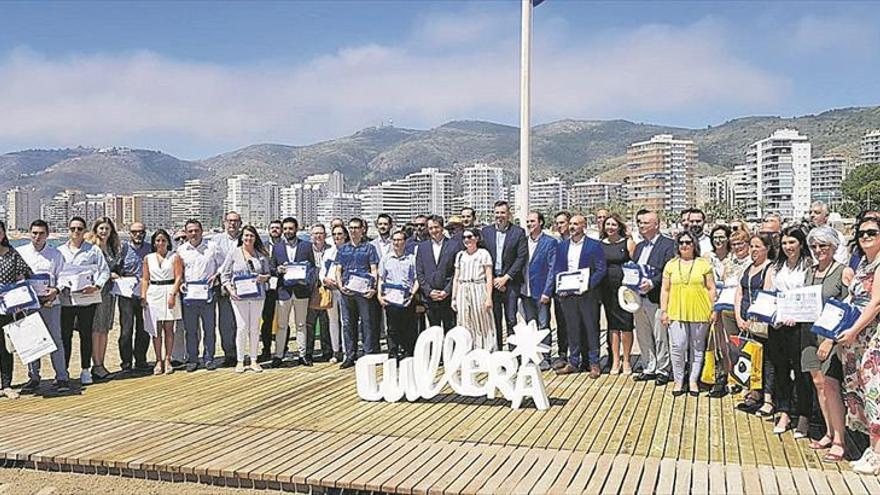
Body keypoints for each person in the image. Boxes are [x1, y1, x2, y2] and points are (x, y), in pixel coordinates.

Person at [800, 226, 852, 462]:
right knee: (818, 384)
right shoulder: (809, 271)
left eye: (823, 246)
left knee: (831, 386)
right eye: (814, 246)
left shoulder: (844, 271)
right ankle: (829, 433)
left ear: (833, 247)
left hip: (832, 337)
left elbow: (849, 308)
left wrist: (830, 340)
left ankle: (840, 439)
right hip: (810, 333)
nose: (818, 250)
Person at [836, 216, 880, 474]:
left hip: (871, 335)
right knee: (859, 389)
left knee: (875, 390)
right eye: (861, 233)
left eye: (872, 232)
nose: (865, 237)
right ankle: (872, 447)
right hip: (856, 338)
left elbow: (875, 303)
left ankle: (877, 452)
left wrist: (852, 330)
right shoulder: (863, 263)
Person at [764, 226, 812, 435]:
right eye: (784, 243)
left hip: (800, 326)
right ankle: (784, 411)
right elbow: (770, 293)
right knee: (781, 369)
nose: (788, 247)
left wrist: (798, 315)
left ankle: (804, 415)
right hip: (779, 325)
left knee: (802, 373)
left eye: (792, 242)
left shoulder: (809, 266)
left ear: (801, 243)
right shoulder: (777, 266)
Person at [660, 231, 716, 396]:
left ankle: (693, 380)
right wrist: (664, 311)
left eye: (688, 242)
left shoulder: (703, 264)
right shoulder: (670, 264)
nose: (684, 245)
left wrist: (713, 309)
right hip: (676, 310)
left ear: (694, 245)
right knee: (678, 346)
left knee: (697, 347)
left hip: (700, 310)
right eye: (681, 242)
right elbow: (665, 289)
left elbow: (711, 288)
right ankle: (678, 380)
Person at [18, 220, 70, 393]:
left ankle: (62, 377)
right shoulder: (20, 252)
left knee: (56, 339)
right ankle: (33, 377)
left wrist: (56, 289)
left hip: (51, 303)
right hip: (29, 304)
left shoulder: (56, 254)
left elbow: (63, 276)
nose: (37, 236)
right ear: (29, 233)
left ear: (47, 235)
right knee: (32, 341)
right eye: (34, 233)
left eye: (41, 233)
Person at [58, 216, 110, 385]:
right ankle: (63, 371)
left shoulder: (93, 250)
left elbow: (104, 272)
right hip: (66, 301)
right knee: (65, 337)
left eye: (80, 229)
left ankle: (85, 370)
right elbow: (56, 273)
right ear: (68, 230)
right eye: (73, 229)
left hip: (86, 300)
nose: (76, 232)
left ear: (85, 231)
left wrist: (96, 286)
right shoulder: (60, 251)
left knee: (86, 335)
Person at [554, 215, 607, 378]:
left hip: (587, 294)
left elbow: (601, 269)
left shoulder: (594, 245)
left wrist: (588, 285)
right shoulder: (562, 246)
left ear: (584, 226)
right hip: (568, 294)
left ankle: (594, 363)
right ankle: (573, 361)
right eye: (570, 224)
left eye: (576, 224)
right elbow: (557, 269)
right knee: (572, 328)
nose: (572, 227)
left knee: (591, 328)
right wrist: (559, 286)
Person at [632, 209, 677, 386]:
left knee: (660, 336)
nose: (641, 225)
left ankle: (663, 369)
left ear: (656, 224)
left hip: (656, 297)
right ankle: (648, 367)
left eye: (645, 222)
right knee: (643, 335)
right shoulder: (639, 246)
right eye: (639, 222)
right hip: (637, 298)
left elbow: (668, 271)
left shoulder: (668, 244)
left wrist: (652, 283)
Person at [733, 234, 776, 414]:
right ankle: (753, 390)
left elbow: (767, 295)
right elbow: (739, 293)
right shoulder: (748, 268)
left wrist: (752, 318)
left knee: (766, 359)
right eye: (751, 246)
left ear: (767, 248)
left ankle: (768, 397)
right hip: (744, 319)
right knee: (750, 356)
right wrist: (738, 317)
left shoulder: (769, 268)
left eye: (758, 246)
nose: (753, 250)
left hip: (761, 321)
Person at [221, 225, 271, 373]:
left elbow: (268, 274)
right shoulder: (234, 253)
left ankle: (254, 359)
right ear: (241, 237)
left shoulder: (261, 254)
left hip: (257, 295)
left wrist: (264, 278)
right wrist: (230, 290)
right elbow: (225, 274)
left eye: (251, 236)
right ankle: (240, 360)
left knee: (255, 328)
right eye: (246, 236)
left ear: (256, 238)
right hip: (239, 296)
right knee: (242, 327)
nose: (248, 239)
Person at [271, 217, 316, 368]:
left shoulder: (307, 246)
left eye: (291, 228)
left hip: (301, 290)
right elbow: (272, 268)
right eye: (285, 229)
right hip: (284, 291)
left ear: (296, 229)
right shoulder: (277, 247)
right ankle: (278, 355)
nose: (288, 231)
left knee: (301, 324)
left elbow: (312, 267)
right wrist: (278, 270)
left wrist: (307, 280)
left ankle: (302, 355)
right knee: (282, 325)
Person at [482, 200, 527, 350]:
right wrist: (494, 279)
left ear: (509, 214)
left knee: (511, 319)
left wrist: (506, 278)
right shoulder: (486, 232)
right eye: (497, 213)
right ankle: (498, 352)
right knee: (494, 319)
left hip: (510, 283)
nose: (499, 216)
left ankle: (514, 352)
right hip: (492, 282)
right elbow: (483, 257)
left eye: (503, 212)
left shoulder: (518, 232)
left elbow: (521, 258)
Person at [178, 219, 222, 372]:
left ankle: (209, 358)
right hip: (189, 294)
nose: (194, 233)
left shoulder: (212, 247)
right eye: (190, 231)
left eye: (196, 230)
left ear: (201, 231)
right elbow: (178, 271)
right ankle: (192, 359)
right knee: (190, 330)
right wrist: (182, 282)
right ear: (186, 233)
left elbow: (223, 265)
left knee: (209, 328)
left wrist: (216, 275)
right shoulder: (181, 250)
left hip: (208, 293)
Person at [336, 217, 380, 368]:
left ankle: (368, 354)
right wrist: (340, 285)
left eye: (356, 228)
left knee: (367, 323)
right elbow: (338, 269)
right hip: (347, 291)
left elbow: (374, 269)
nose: (353, 231)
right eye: (351, 228)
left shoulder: (369, 248)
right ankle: (350, 355)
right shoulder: (343, 248)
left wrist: (373, 288)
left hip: (363, 291)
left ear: (363, 230)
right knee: (348, 323)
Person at [141, 229, 183, 375]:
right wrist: (143, 296)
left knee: (169, 329)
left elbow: (178, 277)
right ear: (154, 243)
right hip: (154, 292)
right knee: (156, 330)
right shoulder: (148, 258)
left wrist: (173, 293)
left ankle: (168, 359)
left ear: (168, 242)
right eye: (158, 240)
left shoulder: (174, 257)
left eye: (163, 240)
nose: (160, 243)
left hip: (170, 290)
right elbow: (145, 279)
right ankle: (158, 360)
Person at [600, 213, 636, 375]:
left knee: (626, 325)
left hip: (626, 291)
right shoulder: (600, 244)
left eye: (613, 225)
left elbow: (636, 266)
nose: (610, 228)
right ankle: (615, 360)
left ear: (619, 226)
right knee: (612, 326)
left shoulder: (628, 242)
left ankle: (627, 360)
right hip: (607, 290)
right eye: (607, 224)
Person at [520, 212, 557, 370]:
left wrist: (547, 292)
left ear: (541, 222)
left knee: (543, 325)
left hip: (541, 291)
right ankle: (532, 356)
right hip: (525, 290)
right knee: (530, 326)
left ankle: (545, 358)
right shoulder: (523, 242)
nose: (529, 224)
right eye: (527, 222)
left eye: (532, 221)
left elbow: (552, 268)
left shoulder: (550, 242)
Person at [88, 217, 123, 380]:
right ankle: (96, 365)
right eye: (101, 228)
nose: (104, 231)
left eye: (107, 229)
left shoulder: (112, 248)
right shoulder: (91, 248)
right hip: (96, 292)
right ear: (95, 230)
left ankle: (101, 363)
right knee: (96, 328)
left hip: (109, 292)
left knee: (105, 329)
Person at [0, 220, 32, 398]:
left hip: (8, 308)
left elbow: (26, 274)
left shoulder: (12, 254)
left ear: (4, 233)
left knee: (5, 347)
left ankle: (6, 385)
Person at [449, 228, 496, 351]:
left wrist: (489, 298)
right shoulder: (460, 255)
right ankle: (467, 350)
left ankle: (485, 349)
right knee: (464, 321)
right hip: (463, 288)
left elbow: (489, 276)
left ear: (476, 238)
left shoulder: (483, 253)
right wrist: (454, 298)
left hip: (478, 287)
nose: (467, 240)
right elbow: (456, 277)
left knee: (482, 321)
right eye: (464, 237)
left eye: (469, 237)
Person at [377, 230, 420, 358]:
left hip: (407, 299)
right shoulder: (386, 259)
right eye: (394, 240)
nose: (396, 243)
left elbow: (417, 279)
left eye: (399, 240)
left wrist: (412, 294)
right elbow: (381, 278)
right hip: (390, 299)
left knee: (408, 327)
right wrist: (379, 295)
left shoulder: (412, 259)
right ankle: (393, 353)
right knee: (392, 328)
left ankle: (408, 353)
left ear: (405, 242)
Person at [116, 221, 152, 373]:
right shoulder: (123, 249)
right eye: (135, 232)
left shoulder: (150, 249)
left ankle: (141, 360)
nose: (138, 235)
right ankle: (126, 362)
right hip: (127, 294)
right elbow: (115, 268)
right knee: (126, 329)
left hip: (145, 292)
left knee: (144, 329)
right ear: (129, 233)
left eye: (141, 232)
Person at [415, 215, 461, 333]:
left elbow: (457, 272)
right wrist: (429, 291)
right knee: (434, 331)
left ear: (442, 228)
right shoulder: (422, 247)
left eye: (436, 227)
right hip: (430, 297)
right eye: (431, 228)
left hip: (447, 296)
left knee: (450, 330)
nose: (434, 231)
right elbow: (420, 272)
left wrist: (447, 291)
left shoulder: (454, 245)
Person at [214, 211, 243, 366]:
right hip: (224, 286)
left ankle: (243, 353)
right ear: (224, 222)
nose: (232, 224)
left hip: (244, 287)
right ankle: (229, 354)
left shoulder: (246, 238)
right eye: (229, 221)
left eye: (236, 221)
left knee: (243, 322)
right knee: (225, 323)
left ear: (241, 223)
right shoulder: (215, 240)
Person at [306, 223, 334, 361]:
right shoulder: (306, 249)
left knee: (326, 322)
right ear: (311, 236)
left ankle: (327, 351)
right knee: (309, 323)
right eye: (315, 233)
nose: (318, 236)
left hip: (327, 288)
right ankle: (308, 353)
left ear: (325, 235)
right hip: (311, 289)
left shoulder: (331, 249)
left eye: (320, 233)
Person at [321, 224, 348, 363]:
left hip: (344, 290)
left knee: (345, 321)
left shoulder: (349, 250)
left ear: (345, 235)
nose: (337, 237)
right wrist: (324, 280)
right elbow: (322, 270)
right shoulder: (328, 251)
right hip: (330, 290)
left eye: (339, 234)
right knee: (332, 321)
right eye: (334, 234)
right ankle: (335, 351)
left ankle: (346, 351)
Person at [259, 219, 283, 361]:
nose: (275, 230)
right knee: (266, 319)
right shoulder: (262, 246)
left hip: (282, 286)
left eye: (277, 228)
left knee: (283, 320)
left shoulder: (285, 246)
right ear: (268, 230)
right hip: (267, 287)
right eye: (272, 228)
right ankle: (266, 349)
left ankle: (282, 347)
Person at [551, 211, 571, 367]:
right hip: (560, 289)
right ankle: (562, 354)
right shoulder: (554, 242)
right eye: (557, 223)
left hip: (578, 289)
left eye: (562, 222)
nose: (559, 226)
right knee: (561, 322)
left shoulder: (578, 241)